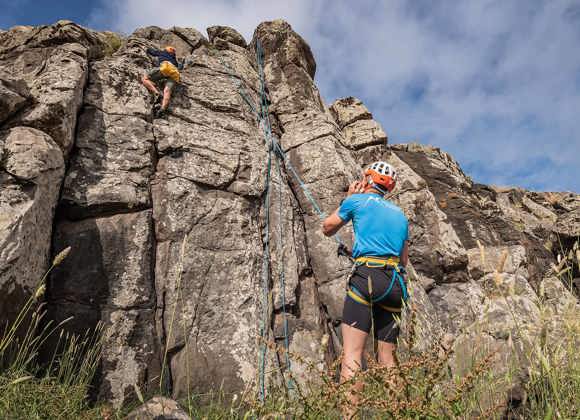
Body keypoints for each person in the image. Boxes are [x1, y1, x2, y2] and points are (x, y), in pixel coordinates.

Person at [321, 161, 409, 414]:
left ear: (368, 179)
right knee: (388, 359)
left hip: (366, 276)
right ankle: (400, 414)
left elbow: (327, 228)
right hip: (394, 282)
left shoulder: (357, 201)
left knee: (352, 355)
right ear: (389, 188)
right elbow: (404, 260)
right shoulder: (400, 215)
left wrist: (348, 198)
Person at [142, 46, 180, 118]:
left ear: (166, 49)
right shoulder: (174, 60)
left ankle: (156, 93)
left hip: (165, 68)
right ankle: (162, 109)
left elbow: (152, 52)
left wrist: (146, 48)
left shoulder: (163, 52)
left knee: (145, 79)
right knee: (167, 91)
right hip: (175, 72)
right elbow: (178, 66)